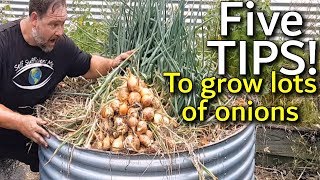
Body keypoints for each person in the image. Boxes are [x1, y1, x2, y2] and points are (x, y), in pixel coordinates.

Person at [0, 0, 133, 172]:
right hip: (7, 124)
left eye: (63, 23)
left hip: (33, 129)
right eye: (54, 24)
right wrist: (19, 122)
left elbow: (89, 65)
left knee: (53, 168)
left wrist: (113, 63)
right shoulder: (4, 43)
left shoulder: (60, 45)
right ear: (34, 19)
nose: (60, 31)